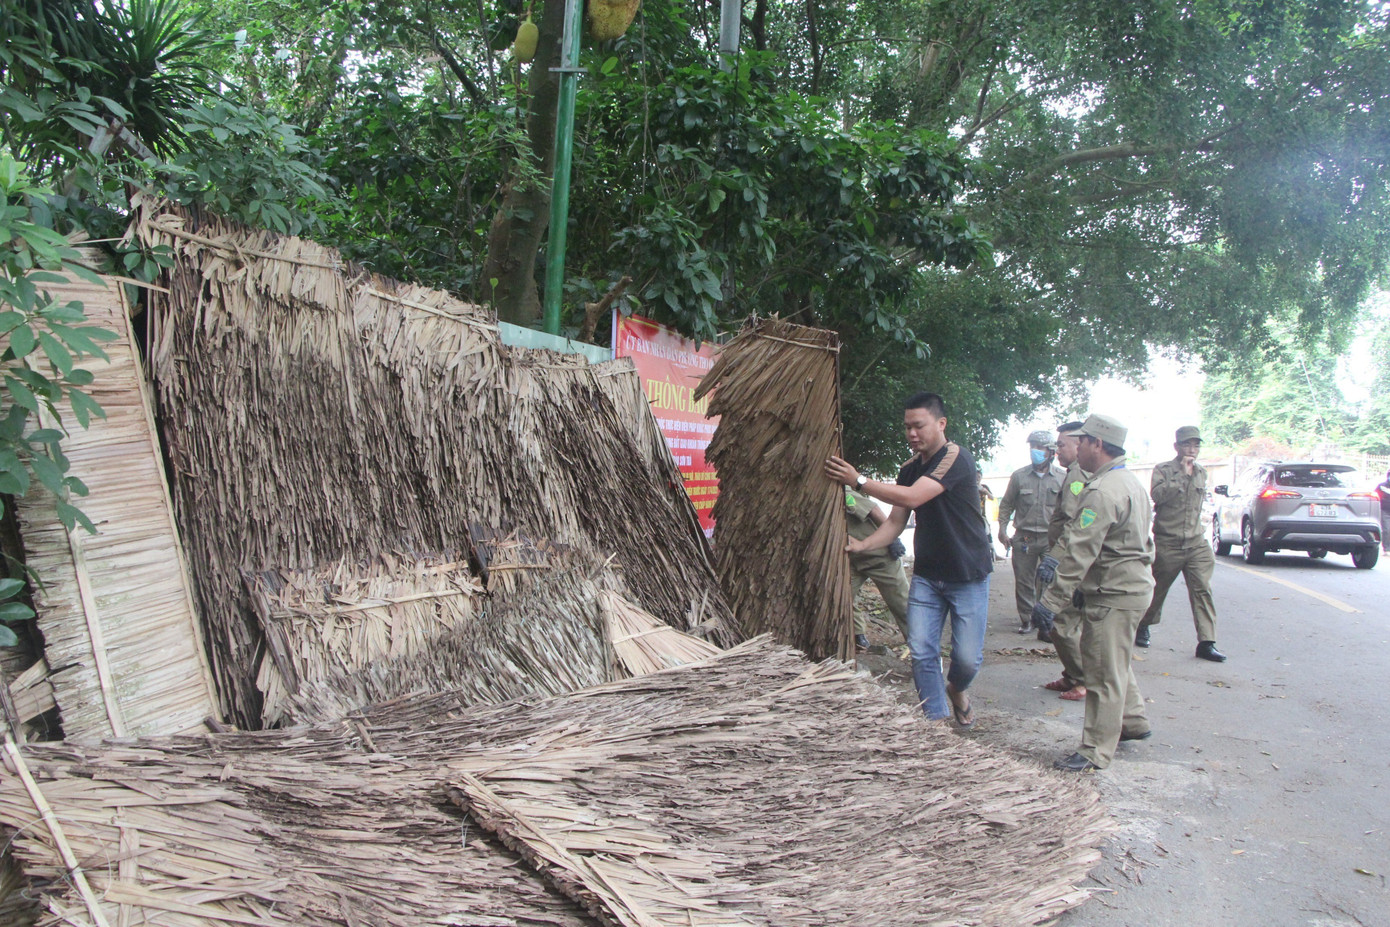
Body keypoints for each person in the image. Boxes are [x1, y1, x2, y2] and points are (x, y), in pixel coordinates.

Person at [825, 392, 993, 728]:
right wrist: (864, 545)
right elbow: (896, 521)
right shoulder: (908, 468)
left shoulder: (955, 457)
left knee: (967, 660)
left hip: (968, 575)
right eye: (907, 428)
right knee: (921, 650)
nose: (912, 434)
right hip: (928, 577)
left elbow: (916, 496)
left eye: (919, 426)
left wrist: (859, 481)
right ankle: (935, 725)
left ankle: (957, 689)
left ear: (941, 424)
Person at [1031, 414, 1154, 772]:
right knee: (1115, 661)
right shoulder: (1130, 482)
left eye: (1082, 441)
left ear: (1097, 445)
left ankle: (1095, 749)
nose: (1077, 447)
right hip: (1131, 587)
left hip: (1114, 592)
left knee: (1101, 672)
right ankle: (1133, 721)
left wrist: (1051, 602)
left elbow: (1079, 554)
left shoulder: (1101, 492)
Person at [1135, 426, 1226, 662]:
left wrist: (1191, 474)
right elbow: (1158, 496)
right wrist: (1181, 476)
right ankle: (1144, 623)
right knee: (1157, 589)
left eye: (1196, 445)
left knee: (1202, 589)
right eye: (1187, 445)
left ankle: (1207, 642)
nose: (1192, 450)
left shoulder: (1201, 472)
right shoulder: (1163, 470)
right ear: (1177, 447)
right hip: (1169, 542)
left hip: (1196, 542)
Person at [1037, 421, 1088, 701]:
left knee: (1063, 620)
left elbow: (1073, 524)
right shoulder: (1073, 474)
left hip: (1070, 560)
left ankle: (1083, 680)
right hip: (1066, 556)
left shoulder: (1079, 476)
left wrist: (1054, 559)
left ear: (1078, 445)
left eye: (1061, 444)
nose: (1057, 450)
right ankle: (1072, 675)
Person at [997, 430, 1065, 636]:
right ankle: (1027, 619)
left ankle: (1045, 617)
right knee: (1025, 581)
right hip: (1024, 537)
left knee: (1049, 580)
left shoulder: (1063, 478)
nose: (1035, 451)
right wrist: (1002, 529)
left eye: (1040, 447)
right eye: (1032, 446)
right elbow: (1006, 504)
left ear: (1051, 452)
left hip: (1050, 539)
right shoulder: (1019, 477)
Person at [843, 487, 911, 651]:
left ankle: (923, 649)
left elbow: (872, 509)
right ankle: (858, 635)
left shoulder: (842, 493)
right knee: (843, 597)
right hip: (851, 559)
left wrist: (892, 539)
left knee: (902, 604)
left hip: (879, 556)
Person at [1378, 467, 1390, 553]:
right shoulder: (1382, 486)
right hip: (1385, 511)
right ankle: (1387, 548)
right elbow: (1376, 497)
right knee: (1387, 530)